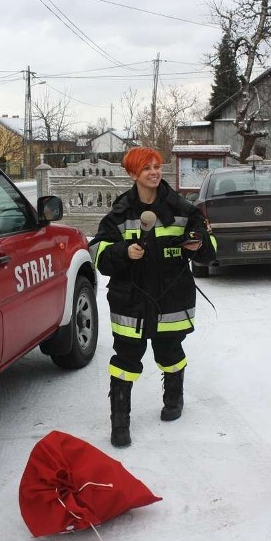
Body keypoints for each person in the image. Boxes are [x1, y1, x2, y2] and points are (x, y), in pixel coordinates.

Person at [88, 147, 217, 448]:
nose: (154, 172)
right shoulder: (119, 213)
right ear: (133, 174)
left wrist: (198, 246)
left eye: (157, 166)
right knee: (125, 361)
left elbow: (209, 248)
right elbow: (97, 253)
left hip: (171, 300)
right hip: (130, 302)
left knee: (170, 354)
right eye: (146, 168)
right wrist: (123, 252)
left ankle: (174, 398)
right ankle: (120, 422)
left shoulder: (184, 210)